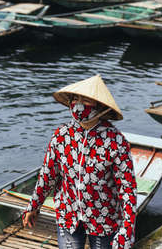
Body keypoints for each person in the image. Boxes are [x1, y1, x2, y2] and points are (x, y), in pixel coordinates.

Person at [22, 74, 137, 249]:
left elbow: (127, 189)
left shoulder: (116, 142)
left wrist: (127, 229)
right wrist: (34, 206)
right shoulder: (61, 136)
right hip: (69, 215)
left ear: (99, 107)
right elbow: (48, 175)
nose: (79, 104)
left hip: (104, 220)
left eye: (86, 100)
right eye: (75, 99)